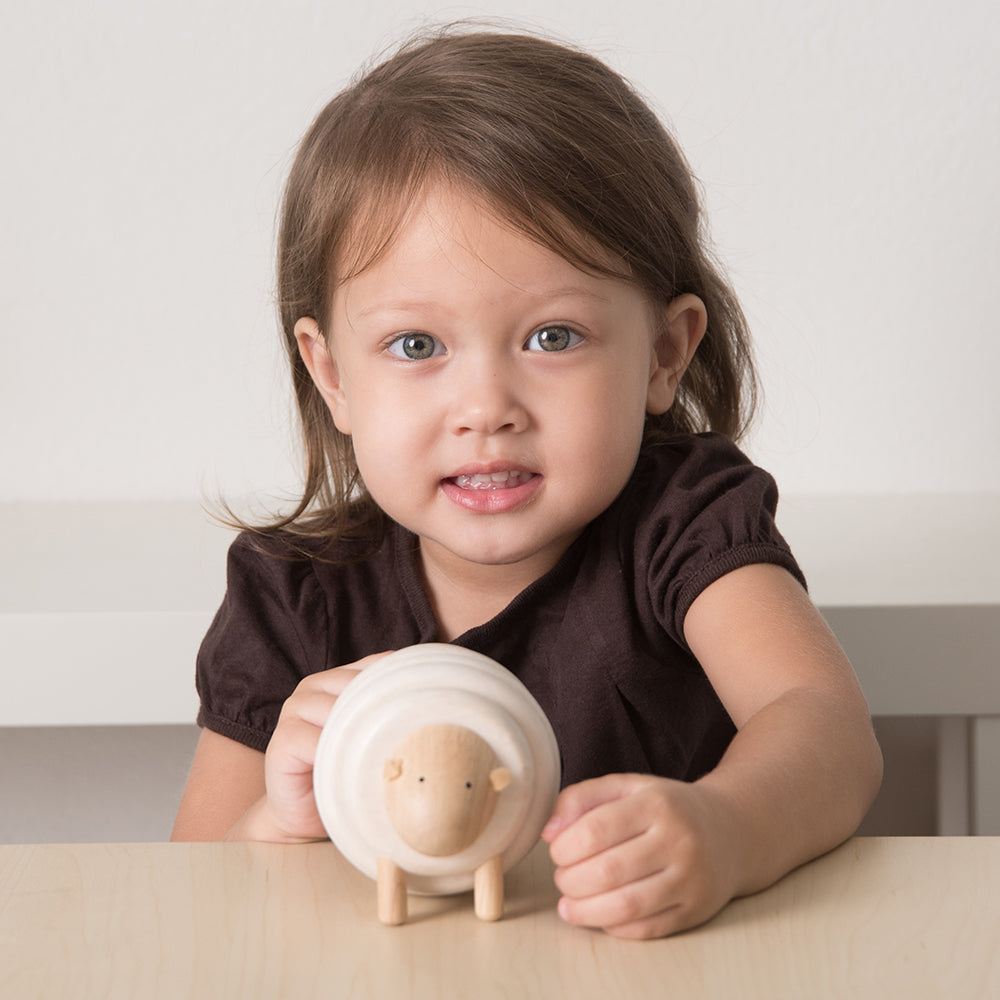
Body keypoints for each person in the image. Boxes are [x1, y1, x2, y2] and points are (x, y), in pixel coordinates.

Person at [171, 26, 883, 940]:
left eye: (553, 337)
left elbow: (824, 725)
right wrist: (279, 819)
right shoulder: (293, 593)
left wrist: (729, 829)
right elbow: (188, 894)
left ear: (665, 354)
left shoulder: (685, 525)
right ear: (333, 375)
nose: (486, 407)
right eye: (416, 346)